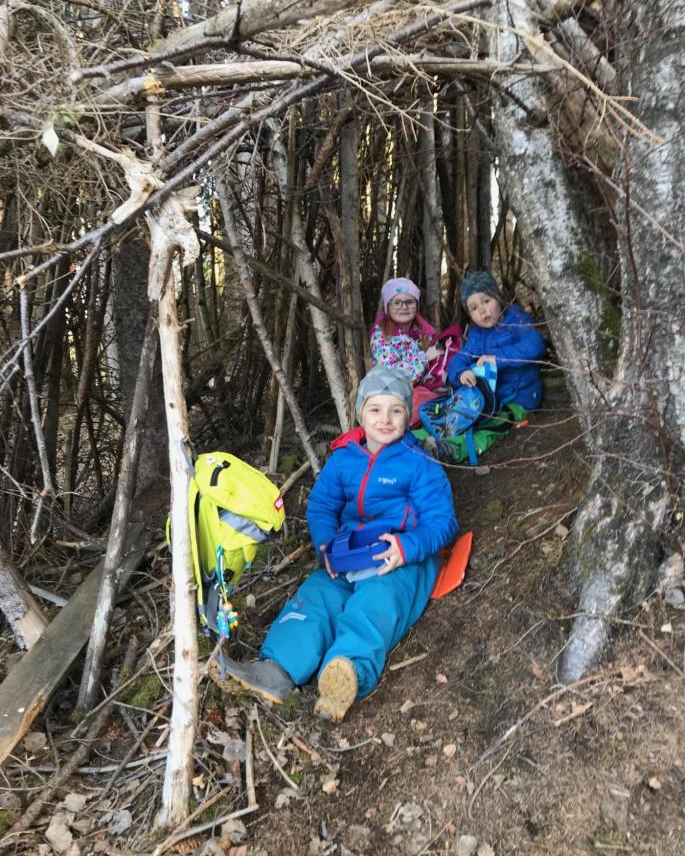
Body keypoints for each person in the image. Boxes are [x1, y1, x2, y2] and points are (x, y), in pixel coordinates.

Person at [210, 365, 458, 722]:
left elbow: (442, 520)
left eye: (396, 410)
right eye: (375, 409)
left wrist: (408, 548)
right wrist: (326, 545)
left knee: (376, 602)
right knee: (318, 597)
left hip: (401, 559)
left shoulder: (419, 463)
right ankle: (276, 670)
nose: (385, 419)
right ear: (361, 414)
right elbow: (322, 506)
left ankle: (347, 674)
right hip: (349, 553)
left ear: (408, 414)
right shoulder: (344, 459)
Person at [369, 277, 462, 425]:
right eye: (397, 302)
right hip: (393, 394)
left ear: (416, 305)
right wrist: (425, 357)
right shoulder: (381, 336)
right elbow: (395, 376)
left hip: (423, 388)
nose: (404, 307)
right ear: (387, 307)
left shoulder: (423, 331)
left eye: (410, 302)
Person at [447, 270, 545, 411]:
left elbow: (535, 345)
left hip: (522, 396)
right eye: (474, 308)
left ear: (498, 298)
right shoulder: (477, 336)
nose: (482, 311)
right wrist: (461, 373)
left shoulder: (516, 320)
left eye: (486, 301)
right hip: (493, 398)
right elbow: (458, 360)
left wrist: (497, 358)